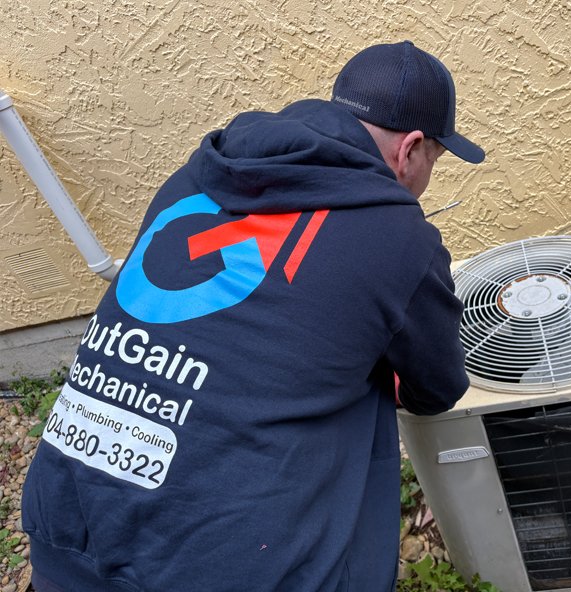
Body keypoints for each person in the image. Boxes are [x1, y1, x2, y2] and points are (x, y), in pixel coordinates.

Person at [22, 40, 484, 592]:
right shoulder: (399, 237)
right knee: (371, 386)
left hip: (65, 525)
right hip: (224, 568)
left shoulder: (194, 178)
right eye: (435, 158)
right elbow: (437, 388)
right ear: (409, 150)